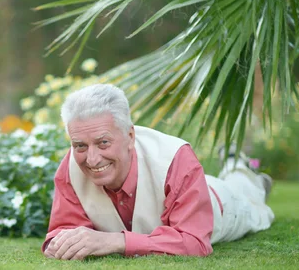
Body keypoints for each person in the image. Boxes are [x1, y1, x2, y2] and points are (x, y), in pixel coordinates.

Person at [43, 84, 274, 260]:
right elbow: (62, 231)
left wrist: (116, 242)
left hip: (223, 204)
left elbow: (194, 242)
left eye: (103, 142)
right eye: (80, 145)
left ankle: (248, 175)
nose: (91, 159)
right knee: (234, 180)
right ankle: (236, 165)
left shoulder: (175, 157)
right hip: (195, 187)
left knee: (244, 192)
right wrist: (60, 243)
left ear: (130, 137)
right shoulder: (71, 167)